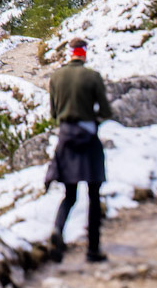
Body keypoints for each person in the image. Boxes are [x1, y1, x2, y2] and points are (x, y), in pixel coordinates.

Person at [46, 37, 112, 263]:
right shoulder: (92, 77)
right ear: (84, 53)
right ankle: (93, 249)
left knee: (69, 195)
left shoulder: (56, 77)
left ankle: (57, 231)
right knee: (94, 195)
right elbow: (105, 110)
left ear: (70, 53)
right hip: (88, 139)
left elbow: (54, 113)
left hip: (66, 138)